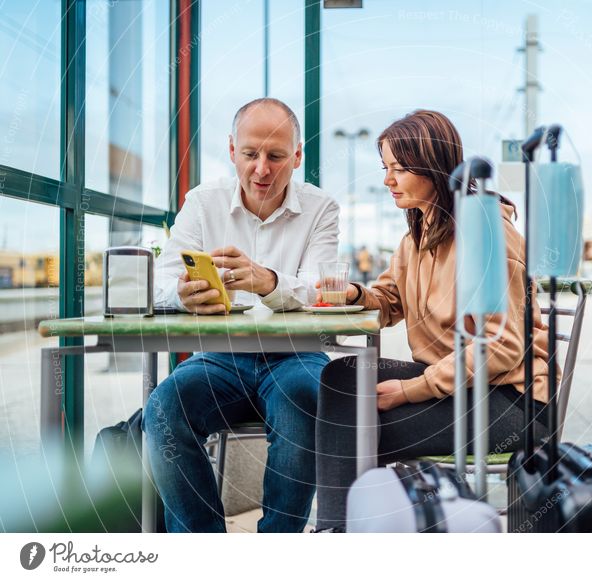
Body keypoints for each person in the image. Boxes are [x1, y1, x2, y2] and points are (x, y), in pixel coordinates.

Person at [313, 110, 553, 532]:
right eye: (385, 168)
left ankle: (341, 533)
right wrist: (354, 294)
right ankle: (349, 529)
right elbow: (390, 299)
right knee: (341, 377)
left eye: (399, 168)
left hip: (511, 404)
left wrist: (411, 390)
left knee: (351, 428)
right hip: (457, 385)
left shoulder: (485, 235)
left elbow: (502, 347)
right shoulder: (417, 236)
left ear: (434, 167)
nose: (389, 179)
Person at [143, 98, 340, 533]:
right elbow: (158, 283)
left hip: (295, 354)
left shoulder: (321, 208)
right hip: (219, 358)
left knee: (305, 398)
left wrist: (267, 280)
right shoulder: (203, 202)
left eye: (276, 156)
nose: (261, 170)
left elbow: (320, 287)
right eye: (250, 155)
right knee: (162, 409)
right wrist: (182, 295)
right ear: (232, 151)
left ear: (298, 156)